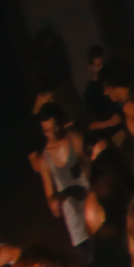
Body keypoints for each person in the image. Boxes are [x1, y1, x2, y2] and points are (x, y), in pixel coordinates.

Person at [31, 104, 93, 257]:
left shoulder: (75, 139)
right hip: (76, 223)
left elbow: (91, 172)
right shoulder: (45, 158)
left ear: (61, 122)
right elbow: (51, 197)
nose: (52, 133)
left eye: (55, 127)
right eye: (47, 131)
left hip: (93, 207)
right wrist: (55, 203)